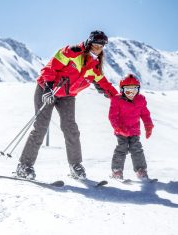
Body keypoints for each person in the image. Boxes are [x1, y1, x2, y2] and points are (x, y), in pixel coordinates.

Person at [16, 30, 118, 180]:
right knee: (41, 127)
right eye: (95, 45)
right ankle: (24, 166)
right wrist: (48, 89)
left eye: (101, 47)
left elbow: (105, 85)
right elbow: (49, 68)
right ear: (89, 43)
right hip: (48, 89)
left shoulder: (94, 67)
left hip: (67, 96)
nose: (97, 49)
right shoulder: (71, 52)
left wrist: (119, 98)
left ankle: (75, 166)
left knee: (71, 129)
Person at [109, 74, 154, 180]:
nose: (131, 94)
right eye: (128, 91)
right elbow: (112, 116)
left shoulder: (140, 100)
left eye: (134, 91)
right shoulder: (117, 100)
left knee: (136, 148)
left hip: (134, 130)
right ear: (122, 90)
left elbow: (145, 114)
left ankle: (141, 170)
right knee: (122, 148)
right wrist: (118, 128)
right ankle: (117, 171)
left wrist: (148, 125)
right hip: (121, 131)